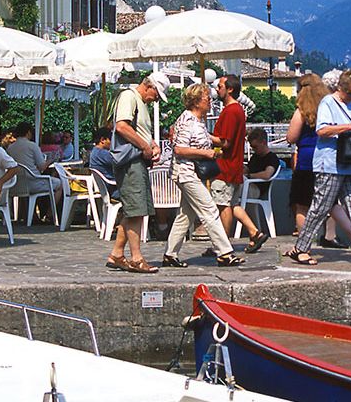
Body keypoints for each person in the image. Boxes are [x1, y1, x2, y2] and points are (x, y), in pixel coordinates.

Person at [285, 69, 351, 267]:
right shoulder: (328, 103)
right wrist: (349, 127)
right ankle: (301, 248)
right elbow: (322, 130)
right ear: (341, 88)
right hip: (330, 164)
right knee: (320, 207)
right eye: (350, 94)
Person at [163, 84, 245, 268]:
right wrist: (207, 154)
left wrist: (217, 144)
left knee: (186, 214)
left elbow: (203, 139)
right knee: (210, 209)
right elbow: (179, 149)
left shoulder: (197, 121)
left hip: (191, 173)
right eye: (207, 98)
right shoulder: (188, 121)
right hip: (186, 173)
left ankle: (170, 254)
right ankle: (224, 252)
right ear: (197, 101)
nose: (210, 101)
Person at [106, 72, 169, 274]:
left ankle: (116, 254)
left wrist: (151, 145)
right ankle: (136, 258)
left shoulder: (140, 102)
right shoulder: (129, 96)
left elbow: (138, 131)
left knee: (135, 208)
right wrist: (145, 146)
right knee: (136, 209)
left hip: (137, 160)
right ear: (149, 86)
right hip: (130, 162)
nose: (156, 99)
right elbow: (122, 126)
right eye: (157, 94)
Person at [287, 73, 351, 247]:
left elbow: (291, 137)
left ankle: (303, 245)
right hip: (326, 160)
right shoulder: (329, 107)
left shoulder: (302, 111)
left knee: (302, 204)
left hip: (305, 161)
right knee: (332, 203)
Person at [211, 75, 270, 254]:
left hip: (225, 166)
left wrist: (205, 135)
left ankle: (223, 245)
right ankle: (254, 232)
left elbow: (225, 142)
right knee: (233, 204)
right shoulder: (238, 111)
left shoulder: (230, 112)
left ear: (229, 89)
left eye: (220, 86)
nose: (217, 89)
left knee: (223, 206)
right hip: (234, 165)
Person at [6, 122, 62, 224]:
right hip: (33, 183)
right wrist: (51, 160)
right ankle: (49, 215)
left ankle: (31, 215)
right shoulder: (32, 146)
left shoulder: (10, 148)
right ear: (28, 133)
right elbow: (42, 166)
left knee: (30, 183)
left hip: (16, 183)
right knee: (60, 184)